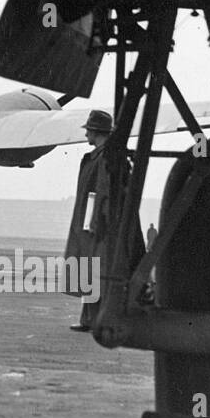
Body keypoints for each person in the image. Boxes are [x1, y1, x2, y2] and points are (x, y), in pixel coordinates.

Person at [64, 110, 143, 331]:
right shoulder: (98, 157)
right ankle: (89, 318)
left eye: (89, 129)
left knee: (96, 270)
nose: (86, 133)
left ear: (95, 132)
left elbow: (101, 193)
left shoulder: (105, 159)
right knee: (91, 269)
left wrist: (94, 223)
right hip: (92, 222)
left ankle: (94, 319)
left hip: (97, 225)